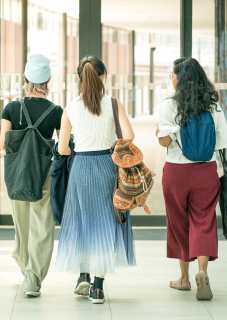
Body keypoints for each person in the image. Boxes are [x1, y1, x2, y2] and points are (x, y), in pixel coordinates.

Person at [55, 56, 136, 304]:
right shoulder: (113, 103)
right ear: (103, 77)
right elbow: (129, 136)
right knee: (104, 224)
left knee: (81, 221)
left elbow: (63, 149)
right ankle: (98, 288)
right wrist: (110, 146)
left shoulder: (70, 107)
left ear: (80, 78)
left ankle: (83, 275)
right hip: (106, 166)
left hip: (80, 167)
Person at [155, 57, 227, 300]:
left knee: (179, 223)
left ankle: (184, 279)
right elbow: (222, 143)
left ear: (182, 78)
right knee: (203, 221)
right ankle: (202, 272)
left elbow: (165, 142)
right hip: (206, 171)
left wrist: (161, 134)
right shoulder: (213, 106)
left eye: (173, 75)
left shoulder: (169, 105)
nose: (171, 78)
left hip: (177, 171)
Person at [0, 54, 63, 297]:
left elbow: (2, 144)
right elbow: (64, 146)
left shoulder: (12, 108)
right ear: (48, 80)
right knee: (42, 226)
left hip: (16, 175)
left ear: (25, 79)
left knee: (22, 224)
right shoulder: (57, 112)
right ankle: (33, 278)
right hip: (44, 174)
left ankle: (25, 265)